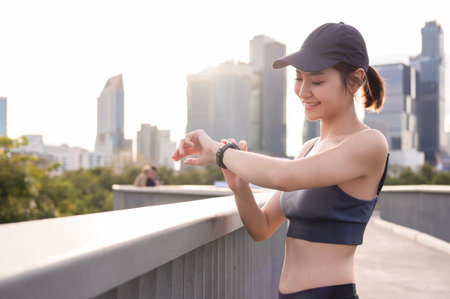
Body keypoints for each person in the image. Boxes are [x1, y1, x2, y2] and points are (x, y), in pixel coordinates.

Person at [172, 22, 389, 299]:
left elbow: (284, 177)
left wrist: (220, 152)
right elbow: (261, 227)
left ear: (356, 80)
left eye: (317, 81)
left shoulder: (370, 143)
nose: (303, 91)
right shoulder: (310, 148)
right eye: (299, 78)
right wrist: (240, 187)